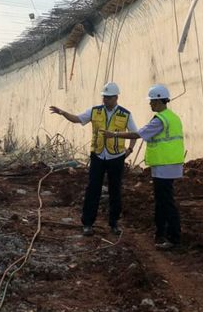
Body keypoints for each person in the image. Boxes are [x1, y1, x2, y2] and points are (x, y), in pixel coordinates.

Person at [100, 84, 183, 250]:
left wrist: (114, 134)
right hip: (169, 164)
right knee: (162, 202)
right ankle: (161, 234)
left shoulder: (160, 120)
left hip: (164, 165)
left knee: (166, 202)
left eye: (152, 101)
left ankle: (173, 237)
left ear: (159, 101)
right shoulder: (171, 116)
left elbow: (138, 134)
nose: (150, 104)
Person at [49, 82, 137, 236]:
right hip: (98, 155)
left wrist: (129, 149)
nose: (106, 100)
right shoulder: (95, 111)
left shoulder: (125, 114)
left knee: (115, 190)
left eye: (109, 98)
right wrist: (63, 113)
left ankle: (114, 223)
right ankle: (88, 223)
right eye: (104, 97)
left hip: (116, 157)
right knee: (93, 189)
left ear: (116, 98)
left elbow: (134, 133)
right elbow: (77, 119)